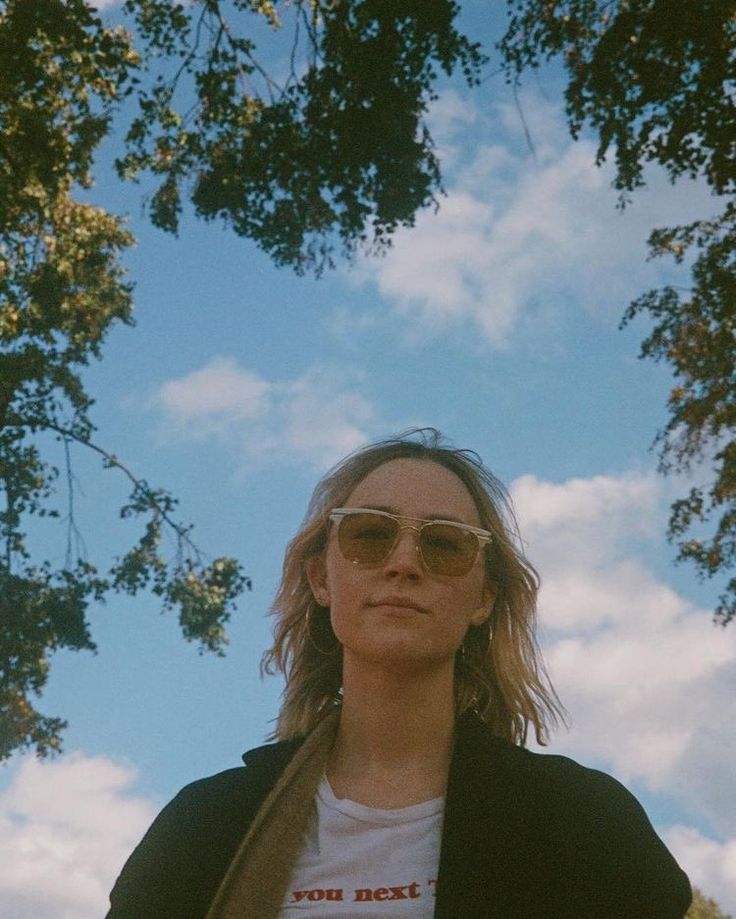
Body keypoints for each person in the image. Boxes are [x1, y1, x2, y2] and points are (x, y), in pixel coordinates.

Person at [107, 429, 692, 919]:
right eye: (369, 533)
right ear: (321, 580)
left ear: (482, 599)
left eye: (445, 544)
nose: (404, 562)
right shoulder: (204, 828)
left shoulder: (584, 825)